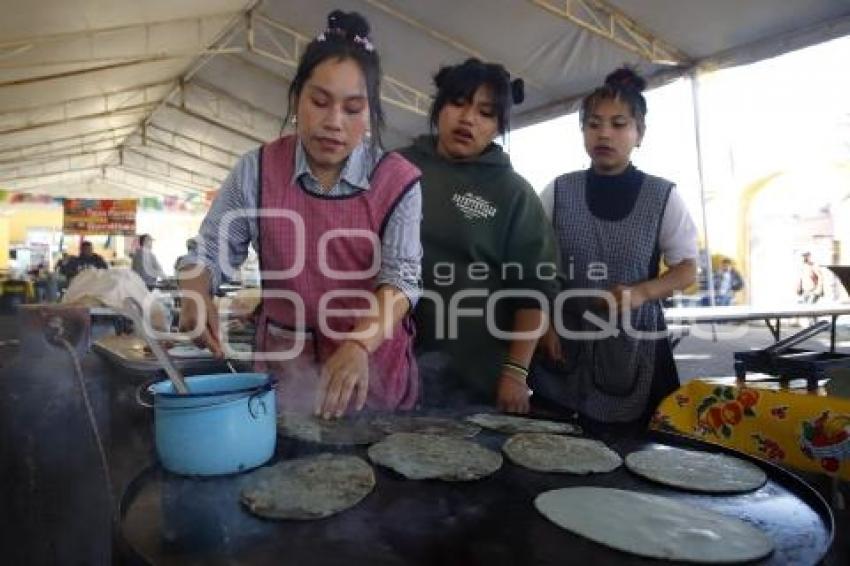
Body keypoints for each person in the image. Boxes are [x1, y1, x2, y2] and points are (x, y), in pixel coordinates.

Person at [178, 11, 423, 420]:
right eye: (320, 102)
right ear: (296, 99)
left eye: (353, 109)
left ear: (370, 114)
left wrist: (358, 344)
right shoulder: (257, 170)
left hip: (373, 372)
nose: (333, 123)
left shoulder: (398, 181)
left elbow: (402, 279)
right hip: (285, 366)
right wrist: (194, 290)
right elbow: (209, 251)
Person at [534, 67, 698, 424]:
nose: (604, 133)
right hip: (563, 342)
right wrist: (543, 325)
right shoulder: (559, 191)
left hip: (634, 347)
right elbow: (535, 265)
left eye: (619, 124)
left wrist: (642, 293)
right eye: (593, 124)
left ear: (639, 134)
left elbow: (686, 268)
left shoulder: (663, 196)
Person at [399, 58, 560, 414]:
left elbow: (535, 290)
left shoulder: (512, 192)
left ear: (498, 126)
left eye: (486, 113)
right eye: (458, 103)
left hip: (479, 380)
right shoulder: (397, 169)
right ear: (439, 107)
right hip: (393, 369)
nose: (468, 118)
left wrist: (516, 373)